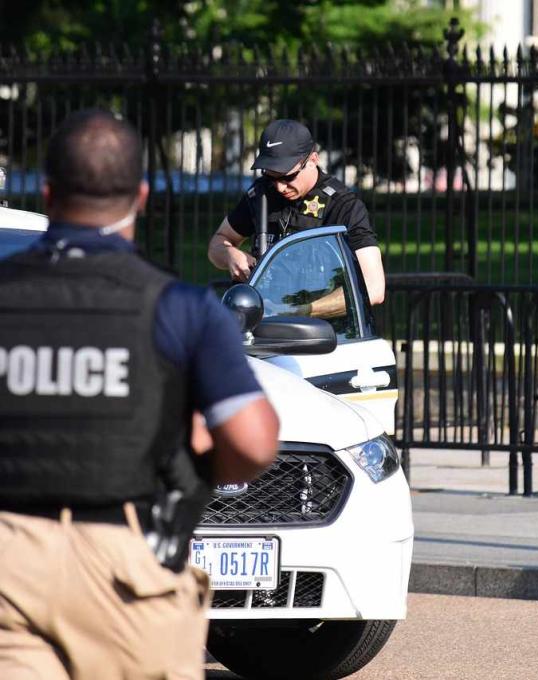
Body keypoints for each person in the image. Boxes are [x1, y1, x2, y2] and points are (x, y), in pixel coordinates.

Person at [0, 110, 279, 680]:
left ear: (48, 194)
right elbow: (253, 443)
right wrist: (199, 463)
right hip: (129, 557)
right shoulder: (179, 307)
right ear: (142, 196)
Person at [207, 119, 385, 318]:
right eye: (271, 176)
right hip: (259, 325)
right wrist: (230, 255)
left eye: (287, 177)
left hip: (320, 334)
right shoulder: (261, 193)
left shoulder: (344, 206)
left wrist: (300, 311)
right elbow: (218, 242)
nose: (279, 187)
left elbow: (374, 288)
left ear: (313, 160)